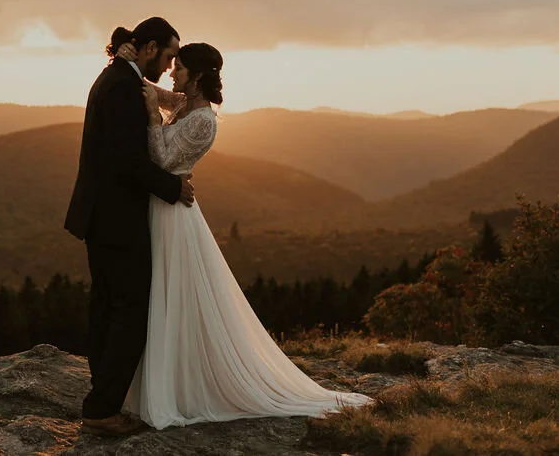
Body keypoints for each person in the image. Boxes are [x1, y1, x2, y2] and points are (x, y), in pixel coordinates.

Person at [109, 38, 375, 430]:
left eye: (178, 67)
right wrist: (127, 60)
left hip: (173, 214)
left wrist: (151, 116)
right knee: (161, 293)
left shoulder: (204, 121)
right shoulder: (184, 104)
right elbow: (153, 91)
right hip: (160, 207)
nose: (172, 72)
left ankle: (184, 385)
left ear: (196, 76)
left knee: (175, 292)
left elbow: (164, 159)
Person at [63, 17, 196, 437]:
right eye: (170, 55)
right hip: (116, 216)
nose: (171, 63)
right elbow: (127, 160)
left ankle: (100, 398)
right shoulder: (122, 85)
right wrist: (174, 187)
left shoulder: (117, 77)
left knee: (105, 307)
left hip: (100, 214)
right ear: (151, 47)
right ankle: (103, 408)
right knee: (130, 310)